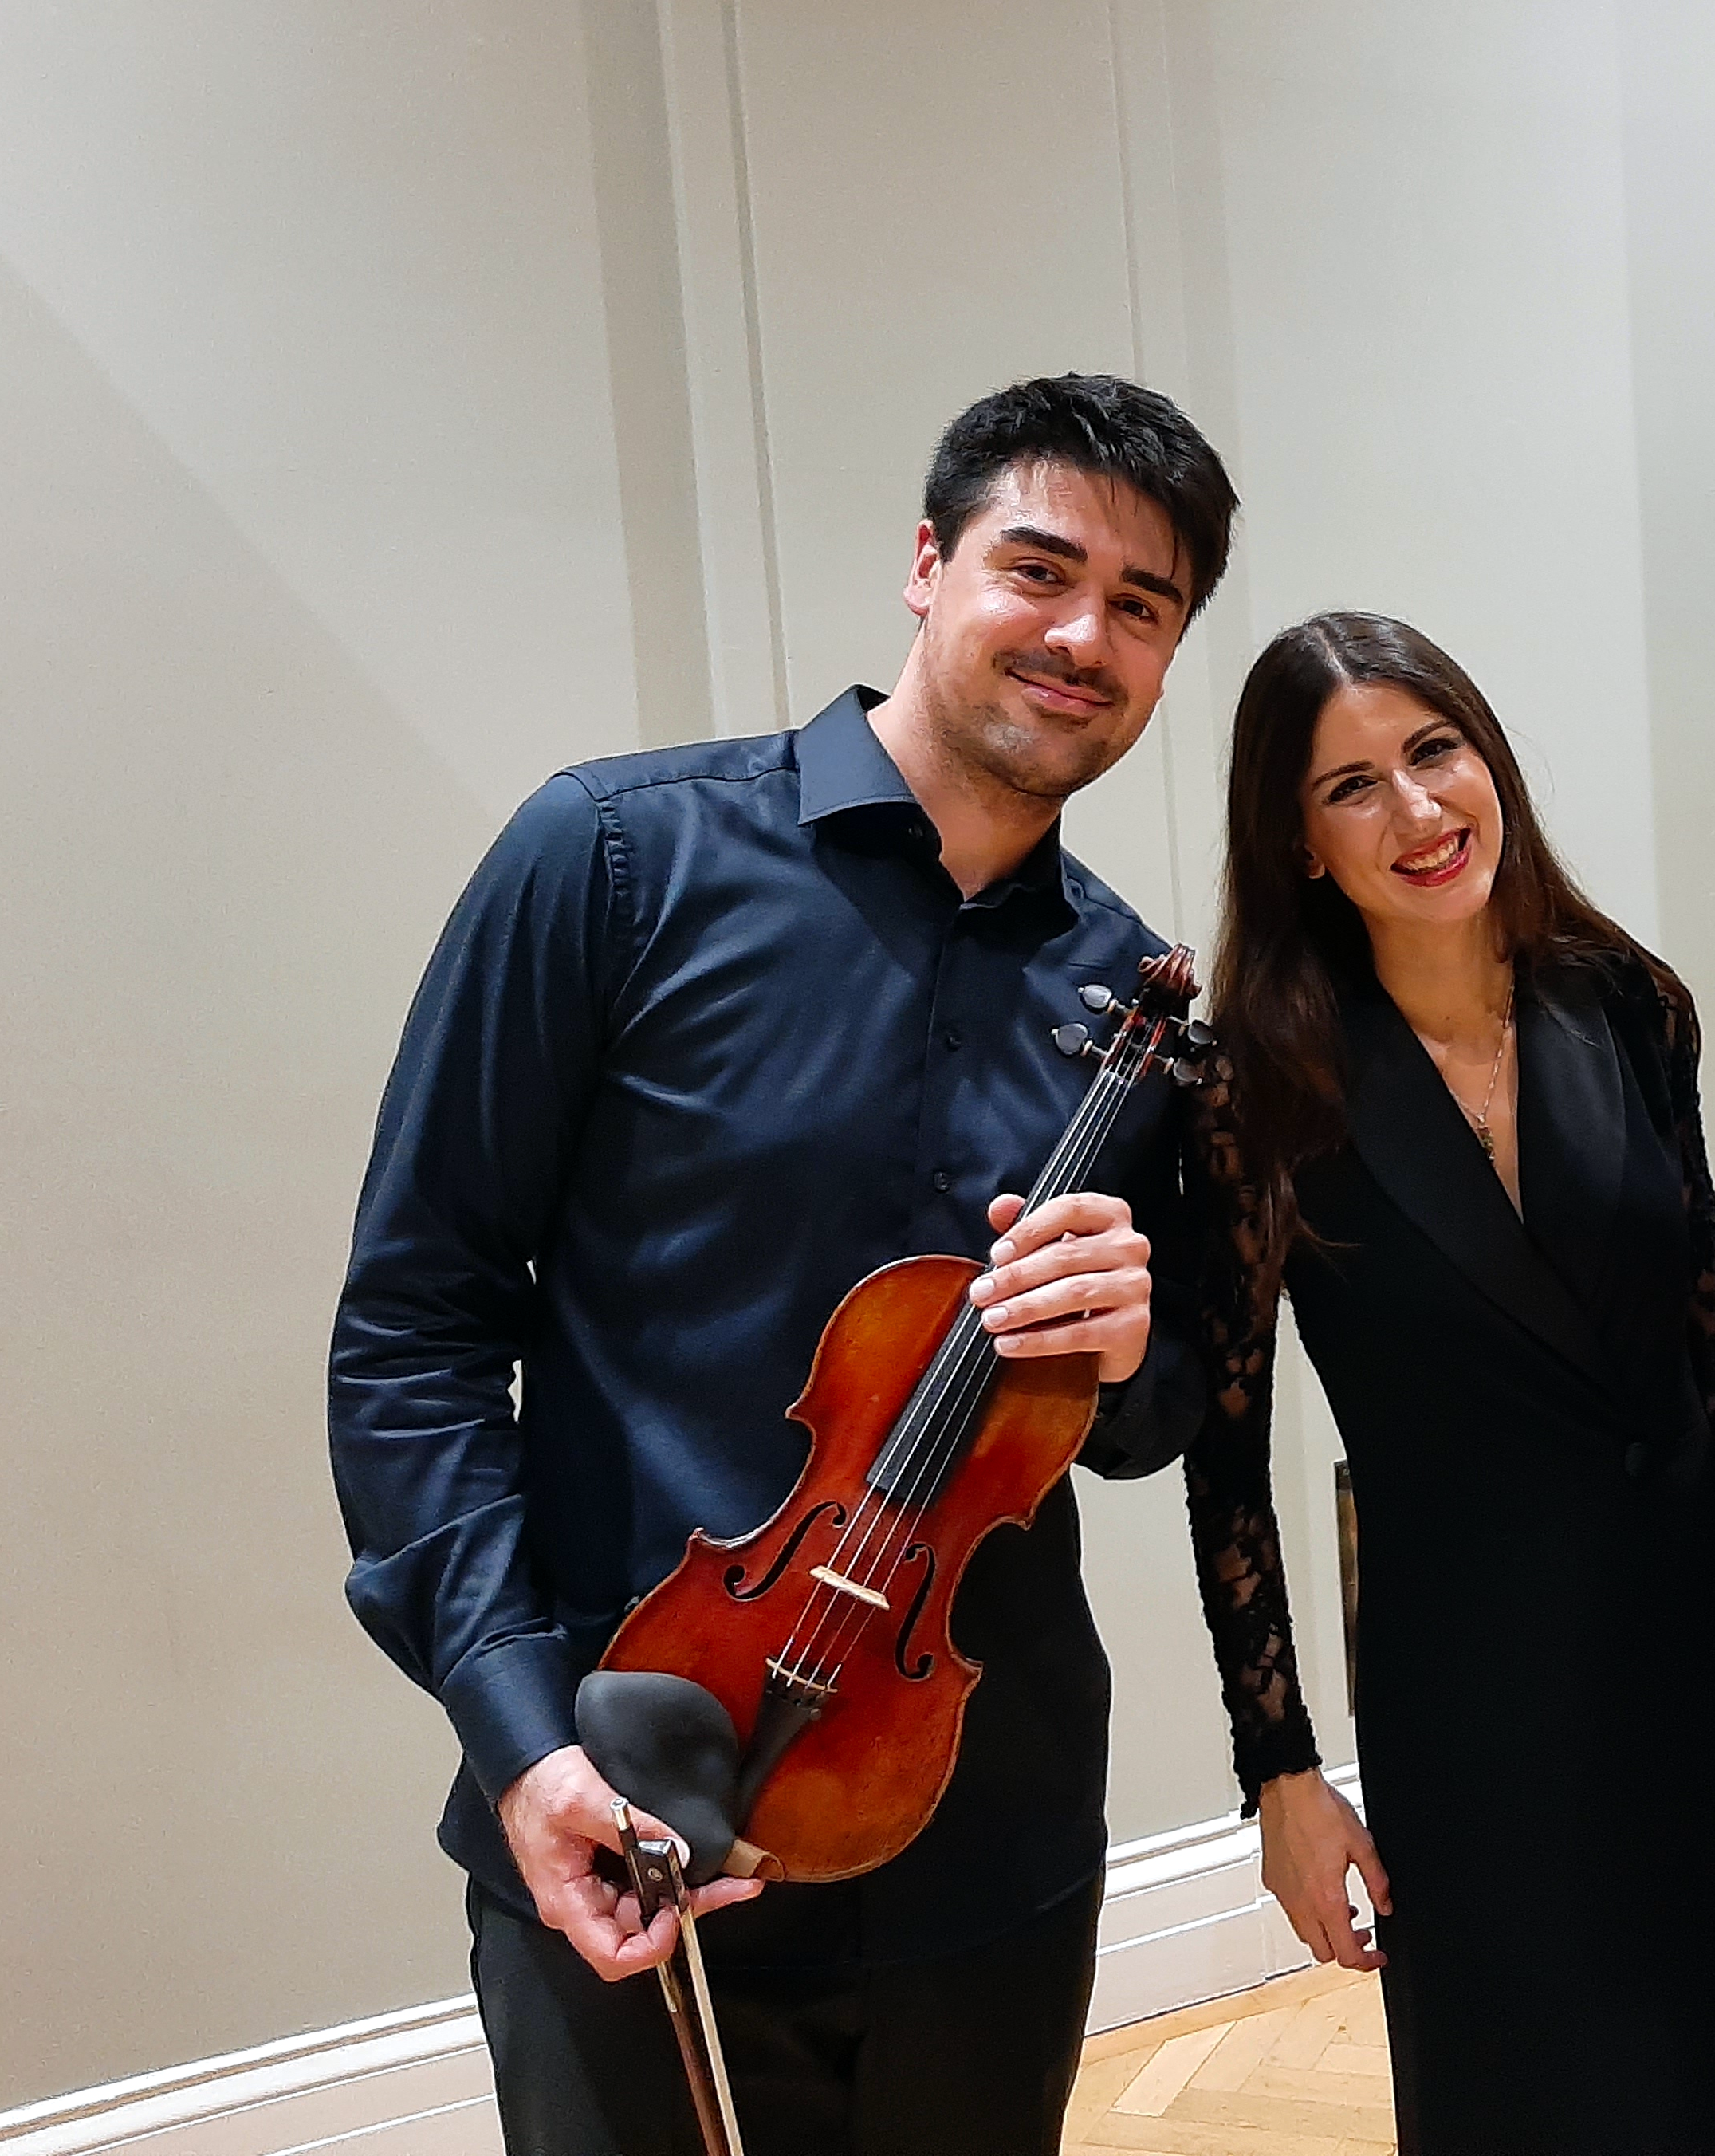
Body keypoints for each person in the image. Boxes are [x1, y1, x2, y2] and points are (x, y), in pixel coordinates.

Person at [329, 374, 1239, 2155]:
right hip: (621, 1783)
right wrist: (524, 1741)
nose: (1084, 637)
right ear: (926, 562)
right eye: (1038, 570)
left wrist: (1138, 1349)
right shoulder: (611, 859)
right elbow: (416, 1333)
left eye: (1144, 608)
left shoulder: (1135, 1008)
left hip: (980, 1833)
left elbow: (1145, 1427)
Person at [1177, 612, 1715, 2155]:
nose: (1417, 813)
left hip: (1692, 1637)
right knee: (1541, 2083)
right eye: (1353, 787)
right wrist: (1279, 1769)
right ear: (1297, 843)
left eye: (1435, 752)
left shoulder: (1626, 1003)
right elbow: (1226, 1453)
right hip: (1475, 1680)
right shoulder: (1253, 1087)